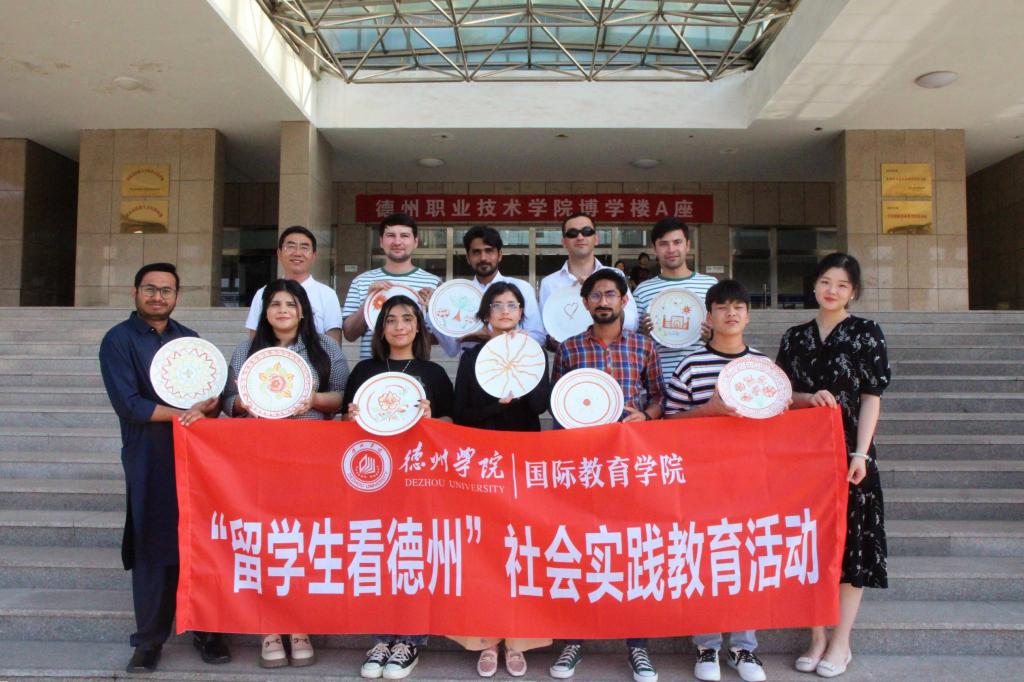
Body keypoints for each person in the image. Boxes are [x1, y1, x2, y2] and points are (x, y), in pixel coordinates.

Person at [99, 263, 230, 673]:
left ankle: (207, 630)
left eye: (166, 290)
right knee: (153, 544)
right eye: (150, 289)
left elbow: (211, 399)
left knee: (200, 541)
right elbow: (129, 404)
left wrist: (209, 406)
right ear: (135, 291)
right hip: (148, 455)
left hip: (195, 455)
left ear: (177, 295)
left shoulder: (189, 340)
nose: (158, 297)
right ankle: (149, 640)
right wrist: (184, 414)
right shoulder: (118, 340)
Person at [222, 279, 349, 669]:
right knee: (264, 540)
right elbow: (227, 401)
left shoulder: (325, 348)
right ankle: (269, 629)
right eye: (275, 304)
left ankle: (299, 626)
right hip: (258, 458)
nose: (282, 310)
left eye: (290, 304)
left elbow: (342, 397)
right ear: (265, 311)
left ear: (303, 310)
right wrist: (245, 403)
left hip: (310, 457)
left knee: (302, 540)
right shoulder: (246, 350)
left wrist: (311, 399)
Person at [776, 253, 890, 679]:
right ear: (814, 285)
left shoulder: (866, 333)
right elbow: (780, 393)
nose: (832, 290)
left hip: (849, 455)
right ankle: (817, 637)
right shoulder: (795, 337)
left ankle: (841, 641)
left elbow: (871, 397)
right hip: (803, 457)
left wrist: (861, 454)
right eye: (826, 281)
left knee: (851, 547)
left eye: (842, 285)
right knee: (811, 546)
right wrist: (806, 398)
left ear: (853, 292)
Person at [548, 268, 663, 682]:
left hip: (629, 463)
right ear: (584, 303)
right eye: (595, 295)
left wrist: (646, 415)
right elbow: (557, 403)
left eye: (610, 294)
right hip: (583, 465)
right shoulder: (569, 349)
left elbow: (659, 396)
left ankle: (638, 646)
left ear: (624, 300)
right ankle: (573, 641)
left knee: (633, 551)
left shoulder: (644, 346)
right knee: (580, 548)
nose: (602, 302)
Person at [343, 295, 454, 680]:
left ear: (419, 327)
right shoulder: (364, 370)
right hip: (373, 477)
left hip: (417, 479)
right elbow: (343, 424)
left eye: (407, 318)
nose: (399, 326)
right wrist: (350, 417)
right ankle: (380, 638)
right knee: (378, 556)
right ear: (381, 328)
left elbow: (452, 425)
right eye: (391, 320)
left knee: (412, 556)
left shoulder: (433, 373)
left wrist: (432, 420)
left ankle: (410, 640)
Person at [664, 279, 768, 682]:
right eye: (722, 307)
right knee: (704, 560)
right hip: (700, 481)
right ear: (709, 316)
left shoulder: (763, 366)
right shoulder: (690, 365)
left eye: (738, 306)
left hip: (749, 481)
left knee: (747, 560)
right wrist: (706, 411)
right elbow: (668, 422)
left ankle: (744, 648)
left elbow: (778, 420)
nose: (731, 313)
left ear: (748, 314)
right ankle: (706, 645)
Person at [449, 282, 551, 676]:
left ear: (522, 312)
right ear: (486, 314)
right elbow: (461, 413)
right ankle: (485, 640)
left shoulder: (534, 352)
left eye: (513, 304)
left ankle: (518, 640)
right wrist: (496, 405)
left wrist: (522, 378)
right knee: (485, 550)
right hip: (483, 462)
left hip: (524, 459)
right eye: (497, 305)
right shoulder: (472, 357)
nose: (505, 311)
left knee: (522, 549)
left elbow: (541, 405)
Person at [436, 224, 545, 356]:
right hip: (470, 364)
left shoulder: (522, 288)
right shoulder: (459, 295)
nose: (483, 258)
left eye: (489, 251)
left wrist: (493, 335)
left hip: (514, 363)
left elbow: (539, 337)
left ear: (499, 255)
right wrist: (433, 309)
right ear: (468, 258)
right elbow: (452, 349)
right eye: (476, 252)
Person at [342, 213, 441, 360]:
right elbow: (349, 334)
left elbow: (440, 339)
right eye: (391, 235)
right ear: (381, 241)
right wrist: (368, 302)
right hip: (372, 368)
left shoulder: (433, 283)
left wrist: (432, 313)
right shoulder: (361, 281)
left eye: (404, 236)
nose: (397, 241)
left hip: (416, 368)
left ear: (415, 242)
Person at [634, 217, 718, 386]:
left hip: (704, 381)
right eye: (663, 244)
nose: (671, 249)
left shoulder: (710, 285)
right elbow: (633, 344)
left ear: (687, 245)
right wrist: (643, 335)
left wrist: (712, 336)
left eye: (677, 242)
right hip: (660, 383)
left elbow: (726, 335)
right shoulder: (642, 291)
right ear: (654, 249)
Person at [539, 212, 639, 350]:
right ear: (564, 242)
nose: (580, 237)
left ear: (596, 239)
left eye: (587, 231)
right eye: (572, 233)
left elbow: (633, 323)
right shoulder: (549, 283)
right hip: (570, 356)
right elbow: (545, 332)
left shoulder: (615, 275)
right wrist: (553, 340)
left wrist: (597, 291)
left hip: (613, 354)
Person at [245, 225, 342, 343]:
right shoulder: (263, 293)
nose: (297, 253)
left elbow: (334, 344)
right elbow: (255, 341)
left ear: (313, 256)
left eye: (304, 248)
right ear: (279, 253)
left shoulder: (327, 294)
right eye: (291, 247)